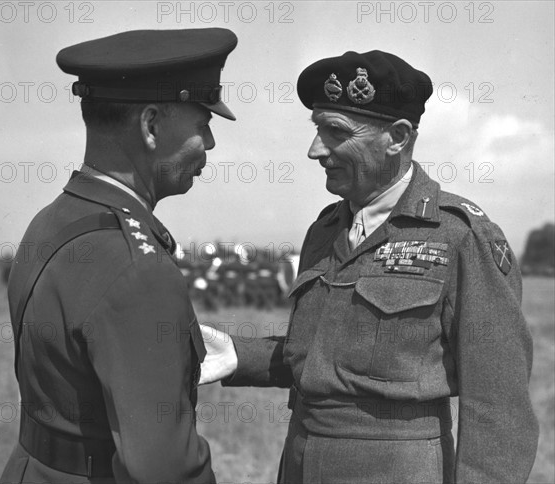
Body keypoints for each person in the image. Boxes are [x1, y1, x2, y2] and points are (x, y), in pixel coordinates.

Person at [200, 50, 539, 483]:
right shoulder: (324, 231)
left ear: (397, 137)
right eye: (316, 128)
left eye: (335, 132)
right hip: (300, 461)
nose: (314, 149)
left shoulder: (460, 236)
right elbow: (325, 355)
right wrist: (236, 354)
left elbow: (498, 405)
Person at [0, 28, 237, 483]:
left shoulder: (52, 220)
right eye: (202, 125)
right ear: (150, 126)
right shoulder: (137, 267)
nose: (209, 145)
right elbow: (166, 470)